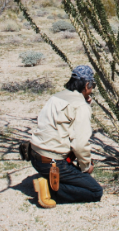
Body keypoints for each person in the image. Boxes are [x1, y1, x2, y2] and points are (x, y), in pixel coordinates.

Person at [28, 65, 103, 208]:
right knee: (95, 191)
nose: (92, 89)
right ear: (87, 84)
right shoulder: (80, 106)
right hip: (52, 162)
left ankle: (49, 180)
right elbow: (79, 144)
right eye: (92, 85)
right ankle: (49, 189)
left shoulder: (56, 97)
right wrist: (86, 166)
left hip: (35, 155)